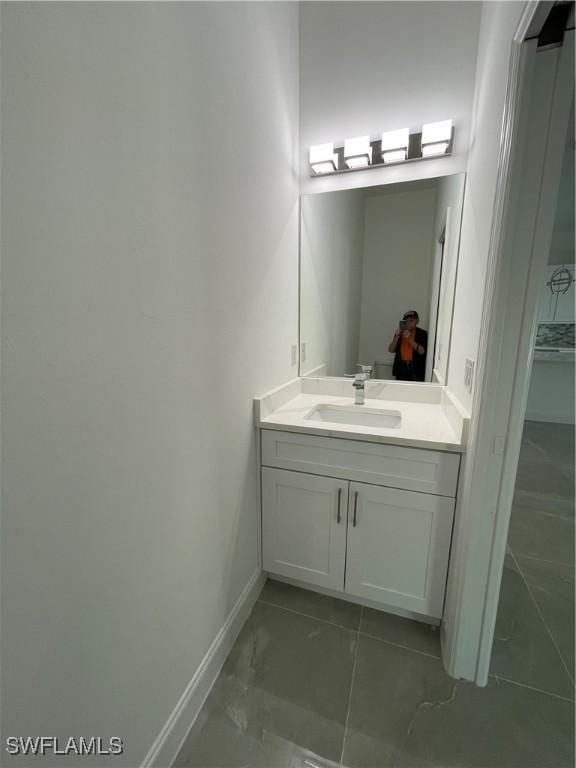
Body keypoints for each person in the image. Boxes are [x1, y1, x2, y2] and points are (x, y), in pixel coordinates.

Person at [388, 310, 428, 381]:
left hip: (416, 370)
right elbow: (391, 350)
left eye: (411, 320)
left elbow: (422, 351)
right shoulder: (400, 333)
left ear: (417, 321)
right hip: (401, 369)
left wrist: (409, 338)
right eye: (406, 321)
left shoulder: (422, 333)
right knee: (400, 391)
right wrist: (397, 336)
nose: (408, 323)